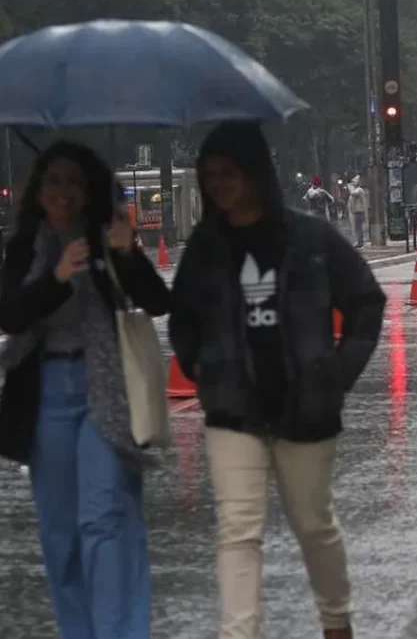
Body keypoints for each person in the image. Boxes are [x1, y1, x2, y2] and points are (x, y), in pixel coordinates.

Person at [169, 122, 386, 639]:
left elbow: (366, 302)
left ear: (255, 172)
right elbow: (182, 317)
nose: (219, 184)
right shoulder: (206, 246)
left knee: (313, 525)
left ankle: (336, 622)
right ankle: (238, 632)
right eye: (210, 175)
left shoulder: (311, 237)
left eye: (229, 172)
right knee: (239, 531)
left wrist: (336, 374)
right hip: (232, 411)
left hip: (306, 407)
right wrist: (199, 363)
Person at [0, 142, 170, 639]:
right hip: (46, 392)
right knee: (61, 534)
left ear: (89, 189)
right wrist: (55, 278)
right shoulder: (25, 244)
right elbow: (9, 313)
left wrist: (125, 252)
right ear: (39, 190)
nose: (63, 192)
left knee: (105, 519)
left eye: (74, 182)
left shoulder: (106, 237)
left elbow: (158, 301)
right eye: (53, 181)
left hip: (106, 389)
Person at [346, 175, 369, 249]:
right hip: (356, 212)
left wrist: (349, 186)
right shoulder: (357, 190)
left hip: (359, 212)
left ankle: (360, 242)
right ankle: (359, 241)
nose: (352, 183)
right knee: (357, 228)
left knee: (359, 228)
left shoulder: (359, 190)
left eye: (353, 182)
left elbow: (353, 193)